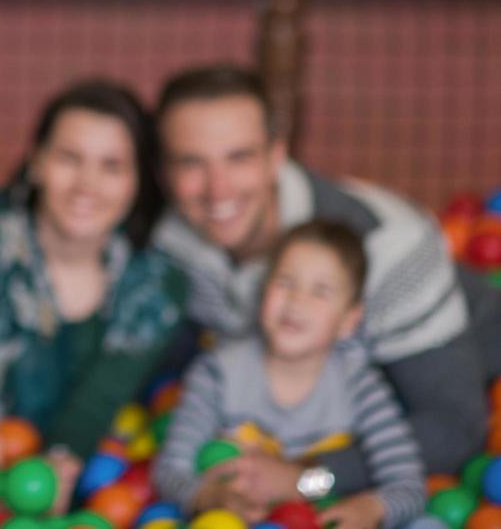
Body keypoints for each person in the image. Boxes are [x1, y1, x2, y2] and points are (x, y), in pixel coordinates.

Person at [153, 64, 498, 507]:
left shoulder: (388, 247)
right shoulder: (174, 242)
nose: (217, 190)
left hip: (476, 374)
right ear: (163, 172)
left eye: (239, 157)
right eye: (191, 162)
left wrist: (304, 480)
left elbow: (453, 428)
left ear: (277, 156)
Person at [0, 80, 185, 506]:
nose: (87, 184)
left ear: (138, 181)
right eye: (69, 157)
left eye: (112, 166)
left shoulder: (156, 288)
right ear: (36, 161)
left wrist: (59, 465)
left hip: (62, 496)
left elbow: (95, 407)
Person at [154, 220, 425, 529]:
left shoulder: (359, 385)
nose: (297, 301)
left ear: (349, 319)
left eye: (321, 291)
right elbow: (170, 471)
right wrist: (206, 496)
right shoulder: (217, 372)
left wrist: (357, 503)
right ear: (263, 290)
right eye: (284, 282)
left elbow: (408, 485)